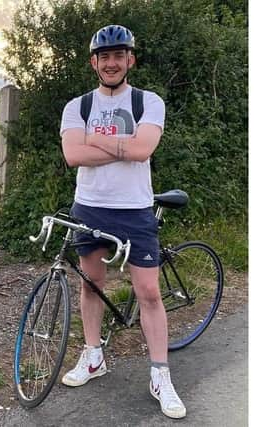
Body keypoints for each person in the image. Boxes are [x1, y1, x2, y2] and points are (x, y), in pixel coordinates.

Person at [59, 24, 186, 419]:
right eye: (104, 57)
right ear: (94, 63)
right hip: (90, 205)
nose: (111, 63)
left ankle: (160, 374)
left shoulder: (148, 102)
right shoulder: (76, 107)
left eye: (119, 56)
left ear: (130, 60)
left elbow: (144, 147)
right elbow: (72, 156)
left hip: (133, 208)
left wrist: (94, 140)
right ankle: (94, 355)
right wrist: (122, 148)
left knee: (148, 291)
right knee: (93, 283)